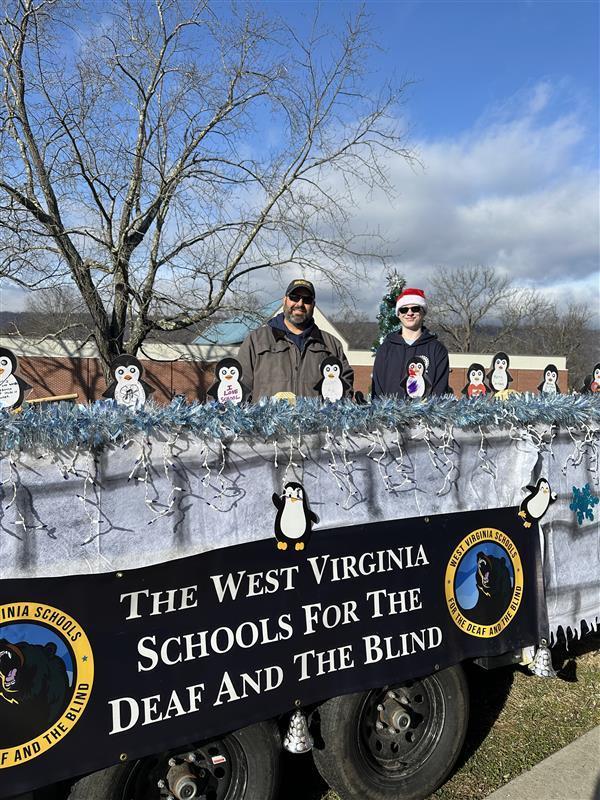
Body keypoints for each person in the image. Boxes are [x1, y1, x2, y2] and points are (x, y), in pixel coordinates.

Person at [237, 278, 354, 401]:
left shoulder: (331, 346)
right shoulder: (256, 341)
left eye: (307, 300)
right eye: (294, 297)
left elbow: (345, 394)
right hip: (267, 420)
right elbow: (240, 391)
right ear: (285, 300)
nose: (300, 304)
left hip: (316, 421)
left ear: (313, 305)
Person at [371, 287, 450, 399]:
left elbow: (440, 392)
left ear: (423, 312)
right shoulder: (385, 349)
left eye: (415, 309)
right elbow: (377, 390)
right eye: (404, 310)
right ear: (398, 314)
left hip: (425, 416)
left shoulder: (437, 350)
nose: (409, 313)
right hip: (390, 415)